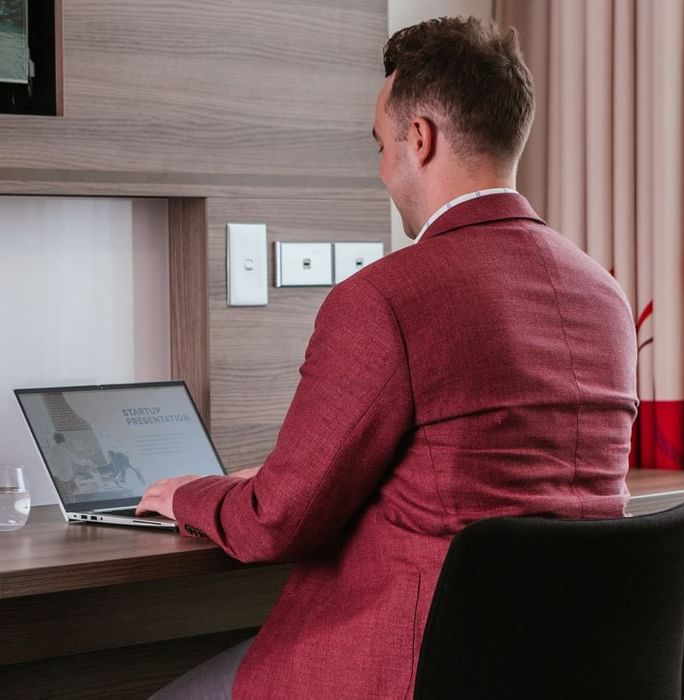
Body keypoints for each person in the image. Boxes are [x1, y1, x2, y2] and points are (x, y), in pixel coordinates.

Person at [138, 16, 638, 699]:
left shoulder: (383, 300)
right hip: (570, 666)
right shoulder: (605, 296)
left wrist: (187, 494)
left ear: (420, 138)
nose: (380, 168)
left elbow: (276, 519)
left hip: (408, 672)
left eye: (380, 144)